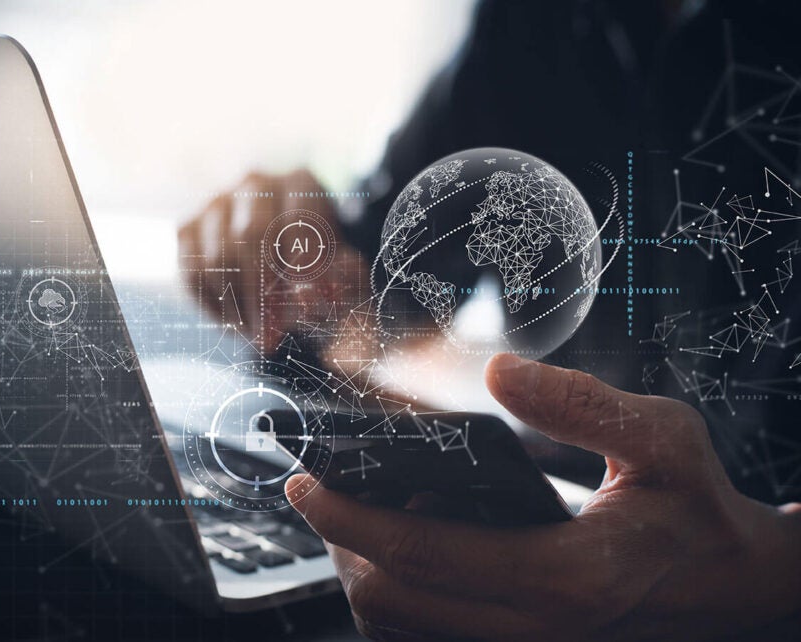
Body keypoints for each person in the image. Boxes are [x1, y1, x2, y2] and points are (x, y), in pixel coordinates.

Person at [179, 0, 801, 638]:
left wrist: (779, 565)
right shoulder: (528, 26)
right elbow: (377, 308)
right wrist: (300, 262)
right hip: (551, 546)